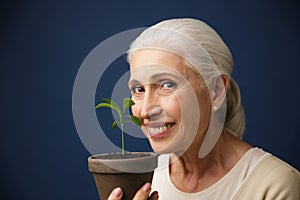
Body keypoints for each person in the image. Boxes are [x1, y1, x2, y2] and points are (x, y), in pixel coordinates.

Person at [108, 18, 300, 200]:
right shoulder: (143, 180)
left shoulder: (276, 186)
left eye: (167, 85)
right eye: (138, 89)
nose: (145, 111)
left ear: (215, 91)